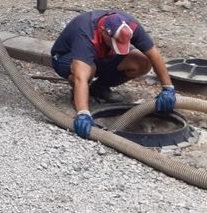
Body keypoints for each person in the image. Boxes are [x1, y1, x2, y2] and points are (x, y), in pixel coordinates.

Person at [50, 10, 176, 140]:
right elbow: (80, 76)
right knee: (88, 70)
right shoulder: (86, 33)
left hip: (100, 55)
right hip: (65, 58)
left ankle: (99, 88)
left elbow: (152, 52)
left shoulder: (130, 25)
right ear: (103, 31)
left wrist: (168, 88)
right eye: (115, 42)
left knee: (142, 62)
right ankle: (77, 96)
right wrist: (83, 113)